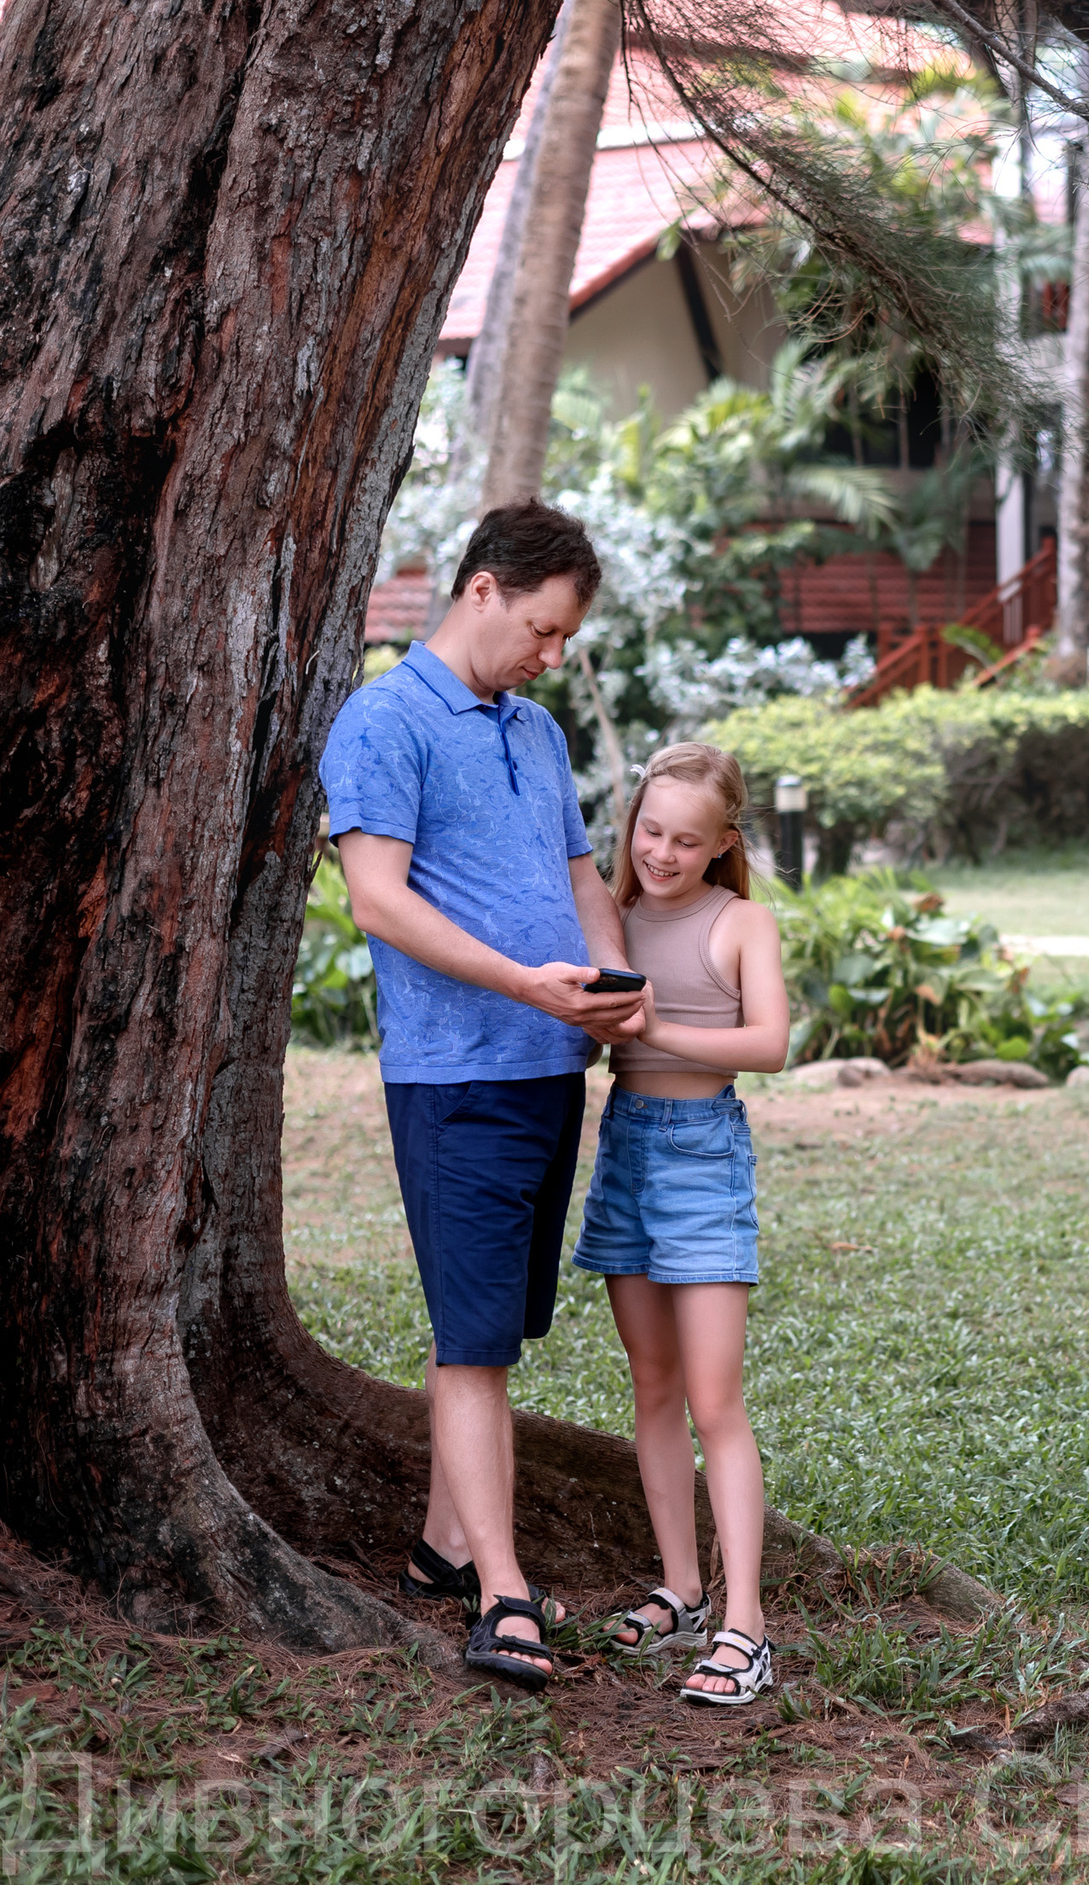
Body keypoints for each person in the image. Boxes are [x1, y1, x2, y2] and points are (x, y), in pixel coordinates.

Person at [320, 500, 644, 1693]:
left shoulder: (536, 730)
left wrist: (615, 988)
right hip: (456, 1076)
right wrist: (525, 983)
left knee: (501, 1325)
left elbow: (576, 877)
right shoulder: (383, 719)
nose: (550, 655)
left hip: (549, 1069)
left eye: (564, 640)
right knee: (471, 1346)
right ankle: (504, 1592)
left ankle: (443, 1550)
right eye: (544, 630)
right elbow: (378, 900)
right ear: (484, 591)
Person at [574, 743, 789, 1705]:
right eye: (649, 829)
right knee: (652, 1385)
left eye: (685, 839)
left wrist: (650, 1026)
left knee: (714, 1399)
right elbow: (584, 1043)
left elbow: (769, 1042)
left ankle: (747, 1625)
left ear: (723, 844)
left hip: (704, 1153)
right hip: (626, 1147)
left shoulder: (742, 921)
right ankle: (684, 1588)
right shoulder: (610, 920)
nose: (660, 850)